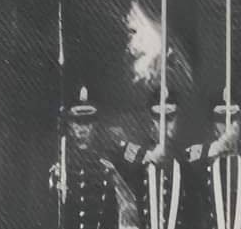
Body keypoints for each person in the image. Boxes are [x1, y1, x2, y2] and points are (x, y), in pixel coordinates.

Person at [188, 91, 241, 229]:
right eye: (221, 120)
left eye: (232, 119)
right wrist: (217, 147)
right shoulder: (200, 163)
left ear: (240, 124)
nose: (227, 127)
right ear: (213, 125)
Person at [50, 85, 131, 229]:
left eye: (87, 122)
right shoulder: (63, 159)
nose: (82, 129)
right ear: (70, 125)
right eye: (77, 122)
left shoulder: (109, 153)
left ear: (94, 125)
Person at [116, 87, 196, 229]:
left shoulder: (184, 159)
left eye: (169, 118)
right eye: (158, 118)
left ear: (177, 119)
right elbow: (120, 158)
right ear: (151, 119)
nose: (163, 124)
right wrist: (149, 157)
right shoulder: (138, 153)